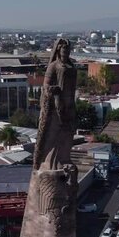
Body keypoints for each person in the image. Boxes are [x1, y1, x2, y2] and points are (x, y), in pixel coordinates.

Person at [34, 38, 77, 171]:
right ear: (59, 51)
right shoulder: (54, 66)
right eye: (64, 50)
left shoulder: (72, 67)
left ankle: (65, 157)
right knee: (56, 133)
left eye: (68, 50)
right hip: (57, 104)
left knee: (69, 132)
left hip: (70, 103)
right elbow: (46, 85)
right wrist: (56, 95)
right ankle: (52, 161)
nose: (66, 53)